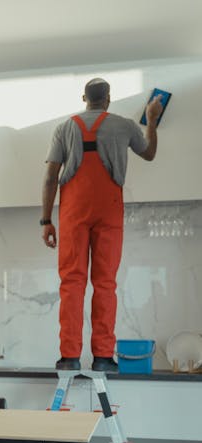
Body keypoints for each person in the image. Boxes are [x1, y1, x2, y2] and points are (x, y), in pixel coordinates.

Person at [40, 78, 162, 372]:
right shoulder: (124, 125)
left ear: (84, 97)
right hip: (109, 210)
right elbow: (149, 153)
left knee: (72, 283)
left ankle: (69, 357)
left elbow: (50, 178)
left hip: (73, 210)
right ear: (108, 98)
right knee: (105, 284)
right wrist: (152, 119)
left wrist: (46, 220)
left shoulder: (64, 128)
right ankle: (104, 357)